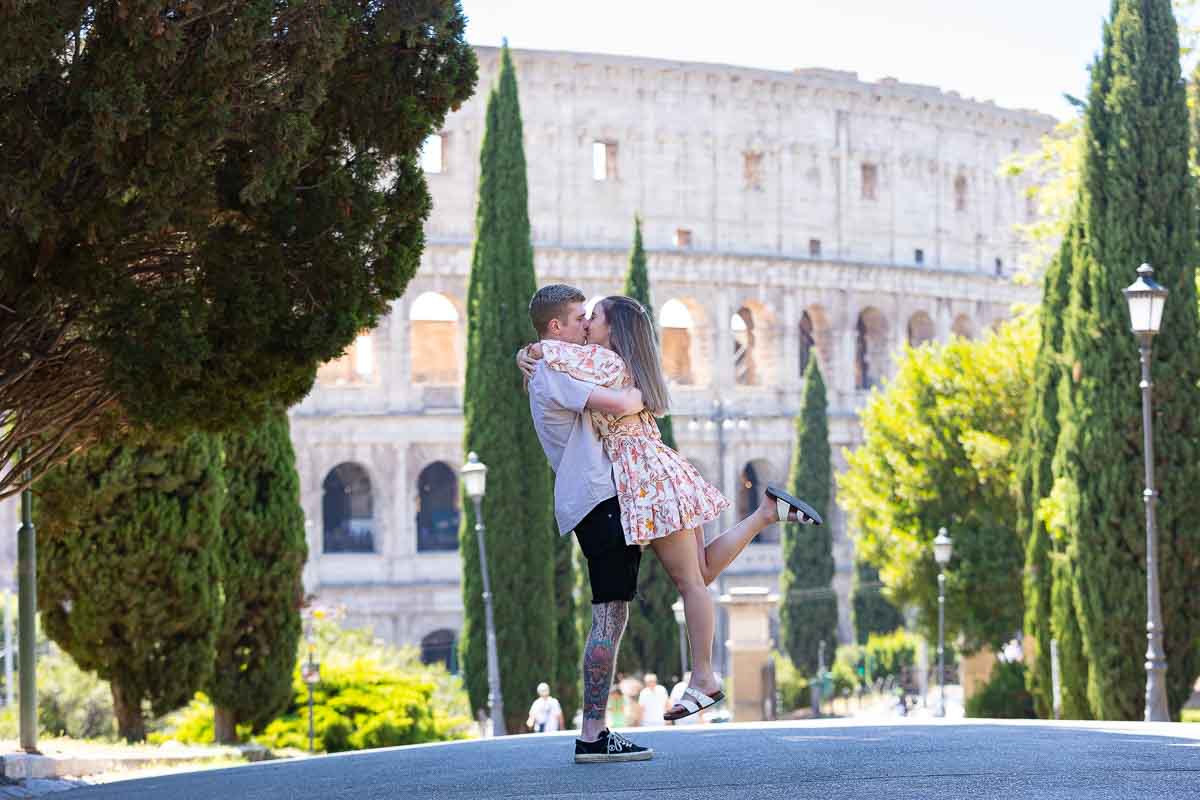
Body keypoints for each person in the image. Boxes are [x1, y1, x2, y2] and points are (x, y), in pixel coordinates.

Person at [519, 291, 822, 726]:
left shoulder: (605, 363)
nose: (586, 325)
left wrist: (534, 350)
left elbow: (574, 370)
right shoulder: (617, 362)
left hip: (644, 476)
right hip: (659, 469)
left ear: (613, 330)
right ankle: (765, 513)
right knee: (699, 572)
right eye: (581, 318)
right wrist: (530, 351)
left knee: (690, 583)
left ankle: (704, 676)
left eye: (594, 318)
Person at [523, 284, 653, 764]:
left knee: (613, 616)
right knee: (607, 617)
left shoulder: (552, 366)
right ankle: (593, 734)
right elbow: (621, 403)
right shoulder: (552, 372)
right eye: (579, 317)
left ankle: (595, 732)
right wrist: (646, 390)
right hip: (600, 500)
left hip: (602, 499)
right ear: (556, 327)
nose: (585, 325)